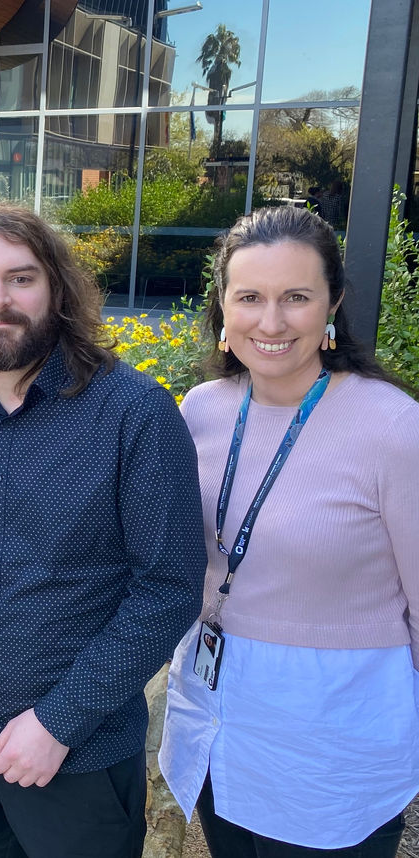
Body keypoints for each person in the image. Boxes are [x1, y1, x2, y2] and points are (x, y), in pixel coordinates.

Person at [0, 204, 205, 858]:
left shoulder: (136, 415)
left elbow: (170, 589)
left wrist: (58, 721)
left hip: (82, 761)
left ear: (58, 290)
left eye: (21, 278)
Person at [160, 204, 419, 857]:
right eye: (249, 297)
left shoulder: (393, 428)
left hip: (331, 751)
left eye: (296, 297)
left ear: (331, 304)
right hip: (216, 724)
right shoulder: (200, 412)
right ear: (222, 307)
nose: (270, 322)